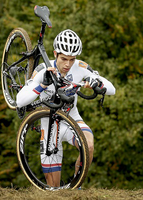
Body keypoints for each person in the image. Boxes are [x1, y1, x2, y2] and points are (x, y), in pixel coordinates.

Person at [16, 29, 115, 187]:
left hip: (72, 119)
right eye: (63, 59)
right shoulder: (43, 70)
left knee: (88, 145)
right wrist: (42, 85)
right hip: (49, 128)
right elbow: (19, 100)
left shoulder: (80, 67)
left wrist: (96, 83)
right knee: (54, 189)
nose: (68, 64)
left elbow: (112, 88)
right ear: (55, 53)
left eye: (72, 59)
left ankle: (77, 187)